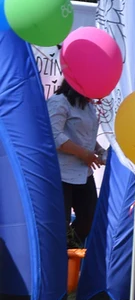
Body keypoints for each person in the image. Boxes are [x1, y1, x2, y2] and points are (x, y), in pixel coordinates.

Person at [47, 79, 104, 247]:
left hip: (84, 174)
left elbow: (87, 136)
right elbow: (54, 136)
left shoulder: (89, 106)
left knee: (89, 219)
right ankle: (59, 262)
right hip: (60, 174)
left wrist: (100, 151)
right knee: (60, 225)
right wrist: (84, 154)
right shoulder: (59, 101)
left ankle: (69, 254)